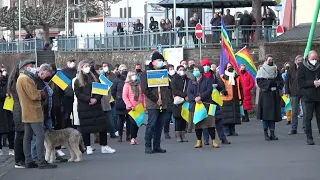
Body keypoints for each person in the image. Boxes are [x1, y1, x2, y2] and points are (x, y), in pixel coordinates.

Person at [16, 60, 57, 169]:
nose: (34, 68)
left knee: (27, 137)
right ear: (25, 67)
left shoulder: (22, 78)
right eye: (31, 66)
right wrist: (41, 94)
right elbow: (34, 95)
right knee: (40, 136)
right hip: (33, 112)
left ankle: (29, 160)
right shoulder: (25, 79)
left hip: (27, 112)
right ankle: (41, 161)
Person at [74, 60, 116, 154]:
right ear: (81, 68)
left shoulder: (95, 78)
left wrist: (96, 99)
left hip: (96, 106)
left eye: (88, 66)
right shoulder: (77, 81)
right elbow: (78, 94)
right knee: (86, 128)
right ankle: (87, 146)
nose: (87, 68)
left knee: (102, 126)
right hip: (84, 107)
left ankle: (104, 146)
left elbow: (100, 90)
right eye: (85, 66)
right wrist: (89, 99)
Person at [141, 51, 168, 154]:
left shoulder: (163, 72)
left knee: (159, 125)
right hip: (153, 103)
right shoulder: (147, 73)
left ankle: (157, 145)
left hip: (164, 102)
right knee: (151, 124)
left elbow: (167, 86)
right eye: (159, 60)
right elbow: (145, 89)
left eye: (162, 60)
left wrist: (166, 98)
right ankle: (148, 145)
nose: (161, 62)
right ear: (153, 61)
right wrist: (155, 99)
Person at [187, 66, 219, 148]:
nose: (195, 72)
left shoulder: (208, 81)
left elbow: (209, 91)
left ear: (201, 71)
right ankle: (199, 141)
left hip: (207, 104)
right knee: (198, 123)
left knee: (210, 123)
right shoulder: (191, 82)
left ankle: (213, 141)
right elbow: (189, 92)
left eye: (197, 70)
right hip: (195, 104)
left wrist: (200, 97)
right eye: (194, 70)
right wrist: (194, 98)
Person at [200, 58, 230, 145]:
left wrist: (217, 85)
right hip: (205, 102)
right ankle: (206, 139)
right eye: (204, 65)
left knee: (218, 121)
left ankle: (223, 138)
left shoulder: (213, 76)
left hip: (214, 101)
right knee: (206, 122)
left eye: (207, 65)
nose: (206, 67)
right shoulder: (200, 77)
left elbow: (221, 86)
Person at [256, 55, 283, 141]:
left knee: (273, 115)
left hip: (274, 95)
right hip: (265, 95)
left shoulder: (276, 70)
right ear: (266, 61)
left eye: (272, 59)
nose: (271, 61)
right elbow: (260, 82)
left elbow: (280, 81)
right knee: (265, 115)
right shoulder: (261, 70)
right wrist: (271, 84)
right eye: (269, 59)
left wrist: (275, 84)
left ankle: (272, 133)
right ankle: (265, 133)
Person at [297, 50, 320, 145]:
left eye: (316, 59)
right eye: (312, 59)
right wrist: (312, 83)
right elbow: (301, 82)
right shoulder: (302, 67)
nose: (314, 60)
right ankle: (309, 137)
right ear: (308, 58)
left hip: (319, 96)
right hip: (308, 96)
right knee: (308, 117)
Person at [7, 65, 25, 168]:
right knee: (19, 135)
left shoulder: (14, 82)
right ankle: (18, 160)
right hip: (19, 110)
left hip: (18, 109)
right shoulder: (17, 82)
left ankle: (20, 159)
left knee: (20, 135)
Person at [122, 71, 146, 145]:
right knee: (133, 123)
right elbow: (125, 96)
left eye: (135, 74)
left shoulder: (139, 84)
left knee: (138, 123)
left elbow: (142, 95)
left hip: (139, 106)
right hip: (131, 107)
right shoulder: (127, 85)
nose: (134, 76)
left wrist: (144, 105)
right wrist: (130, 105)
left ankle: (134, 137)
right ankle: (132, 138)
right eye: (132, 75)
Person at [220, 63, 243, 136]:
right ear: (225, 68)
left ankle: (232, 130)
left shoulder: (236, 77)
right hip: (225, 98)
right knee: (225, 115)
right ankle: (226, 130)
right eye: (228, 66)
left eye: (231, 66)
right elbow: (220, 86)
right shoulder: (222, 77)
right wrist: (223, 91)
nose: (230, 67)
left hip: (235, 98)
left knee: (233, 115)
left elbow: (240, 88)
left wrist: (241, 97)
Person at [111, 64, 131, 142]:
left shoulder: (130, 79)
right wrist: (116, 99)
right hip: (120, 102)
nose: (124, 71)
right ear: (119, 71)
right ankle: (120, 135)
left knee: (129, 120)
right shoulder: (116, 80)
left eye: (125, 69)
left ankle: (128, 135)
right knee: (120, 119)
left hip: (129, 102)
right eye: (122, 69)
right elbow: (113, 91)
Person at [286, 55, 304, 135]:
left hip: (304, 92)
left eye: (301, 60)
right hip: (294, 92)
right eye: (299, 60)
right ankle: (294, 128)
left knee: (305, 111)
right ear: (296, 60)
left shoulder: (305, 68)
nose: (300, 61)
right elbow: (286, 81)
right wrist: (287, 91)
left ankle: (305, 127)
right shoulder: (291, 69)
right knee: (294, 112)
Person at [171, 65, 189, 142]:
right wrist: (184, 95)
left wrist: (187, 95)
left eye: (183, 69)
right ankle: (178, 135)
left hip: (185, 101)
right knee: (178, 118)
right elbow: (174, 90)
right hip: (178, 101)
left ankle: (183, 135)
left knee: (184, 118)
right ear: (177, 71)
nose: (182, 71)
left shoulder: (188, 80)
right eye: (180, 69)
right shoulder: (174, 79)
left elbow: (190, 88)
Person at [0, 68, 14, 156]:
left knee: (10, 129)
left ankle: (12, 148)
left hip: (8, 108)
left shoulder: (6, 83)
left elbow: (10, 87)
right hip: (1, 109)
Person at [61, 58, 77, 128]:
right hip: (66, 96)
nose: (73, 63)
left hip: (76, 96)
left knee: (75, 115)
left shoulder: (77, 71)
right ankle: (65, 128)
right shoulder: (63, 72)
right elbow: (59, 86)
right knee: (66, 115)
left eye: (73, 61)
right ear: (67, 63)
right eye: (71, 61)